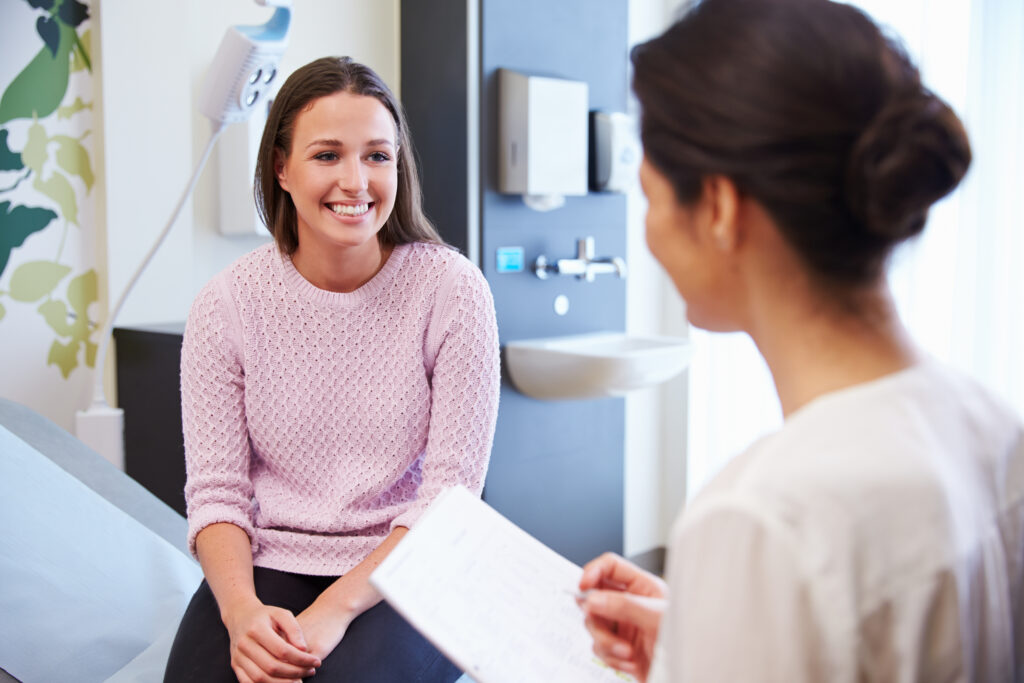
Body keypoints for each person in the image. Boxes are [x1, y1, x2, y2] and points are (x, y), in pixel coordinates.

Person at [577, 0, 1024, 681]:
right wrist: (708, 638)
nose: (650, 235)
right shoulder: (989, 423)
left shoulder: (762, 516)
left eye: (651, 196)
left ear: (720, 208)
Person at [164, 56, 500, 683]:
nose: (357, 181)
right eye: (327, 156)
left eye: (377, 156)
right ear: (282, 169)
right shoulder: (227, 305)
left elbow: (449, 503)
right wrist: (241, 614)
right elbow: (216, 494)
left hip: (412, 561)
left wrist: (333, 611)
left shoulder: (452, 292)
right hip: (273, 558)